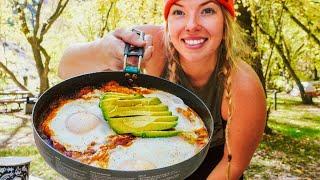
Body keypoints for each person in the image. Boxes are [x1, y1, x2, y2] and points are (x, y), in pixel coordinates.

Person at [58, 0, 266, 179]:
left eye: (207, 10)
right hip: (144, 163)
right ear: (167, 21)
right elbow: (65, 68)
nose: (192, 25)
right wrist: (100, 51)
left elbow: (233, 165)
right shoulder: (147, 42)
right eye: (179, 11)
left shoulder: (243, 85)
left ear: (226, 22)